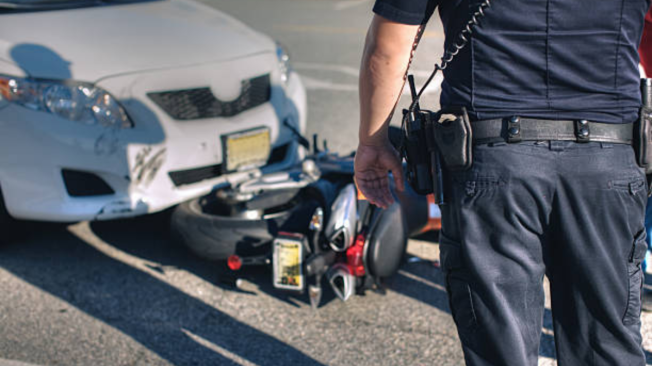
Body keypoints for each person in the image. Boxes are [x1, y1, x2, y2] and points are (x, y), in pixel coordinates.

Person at [355, 0, 650, 365]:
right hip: (607, 161)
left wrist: (373, 142)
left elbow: (388, 47)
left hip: (493, 164)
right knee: (607, 346)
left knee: (499, 346)